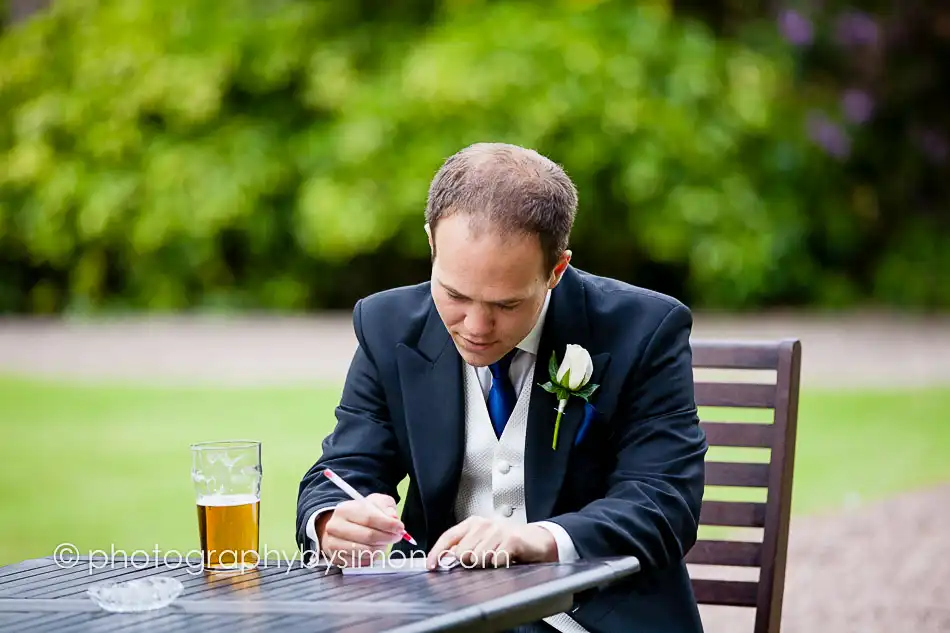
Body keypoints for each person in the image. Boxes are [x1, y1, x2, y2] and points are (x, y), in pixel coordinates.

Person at [295, 142, 708, 633]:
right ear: (431, 243)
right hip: (442, 618)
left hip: (595, 620)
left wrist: (538, 539)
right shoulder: (387, 327)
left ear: (556, 270)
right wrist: (331, 521)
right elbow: (344, 468)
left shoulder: (644, 329)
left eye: (506, 305)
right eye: (454, 294)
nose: (475, 325)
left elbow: (662, 503)